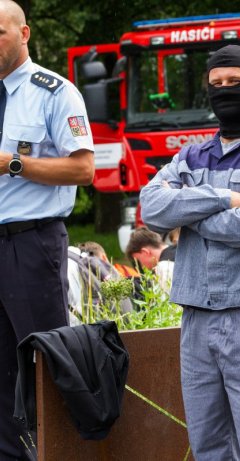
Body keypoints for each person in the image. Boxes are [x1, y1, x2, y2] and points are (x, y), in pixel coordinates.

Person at [139, 44, 240, 460]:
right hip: (196, 319)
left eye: (234, 82)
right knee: (209, 447)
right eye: (216, 84)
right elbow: (152, 207)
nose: (225, 91)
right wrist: (225, 197)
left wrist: (190, 214)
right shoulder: (192, 154)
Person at [0, 1, 94, 459]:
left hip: (32, 244)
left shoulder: (54, 92)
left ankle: (57, 451)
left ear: (25, 34)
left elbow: (83, 170)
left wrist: (13, 164)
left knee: (42, 359)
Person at [125, 227, 176, 293]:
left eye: (138, 261)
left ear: (145, 252)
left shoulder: (163, 268)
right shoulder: (181, 249)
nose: (142, 266)